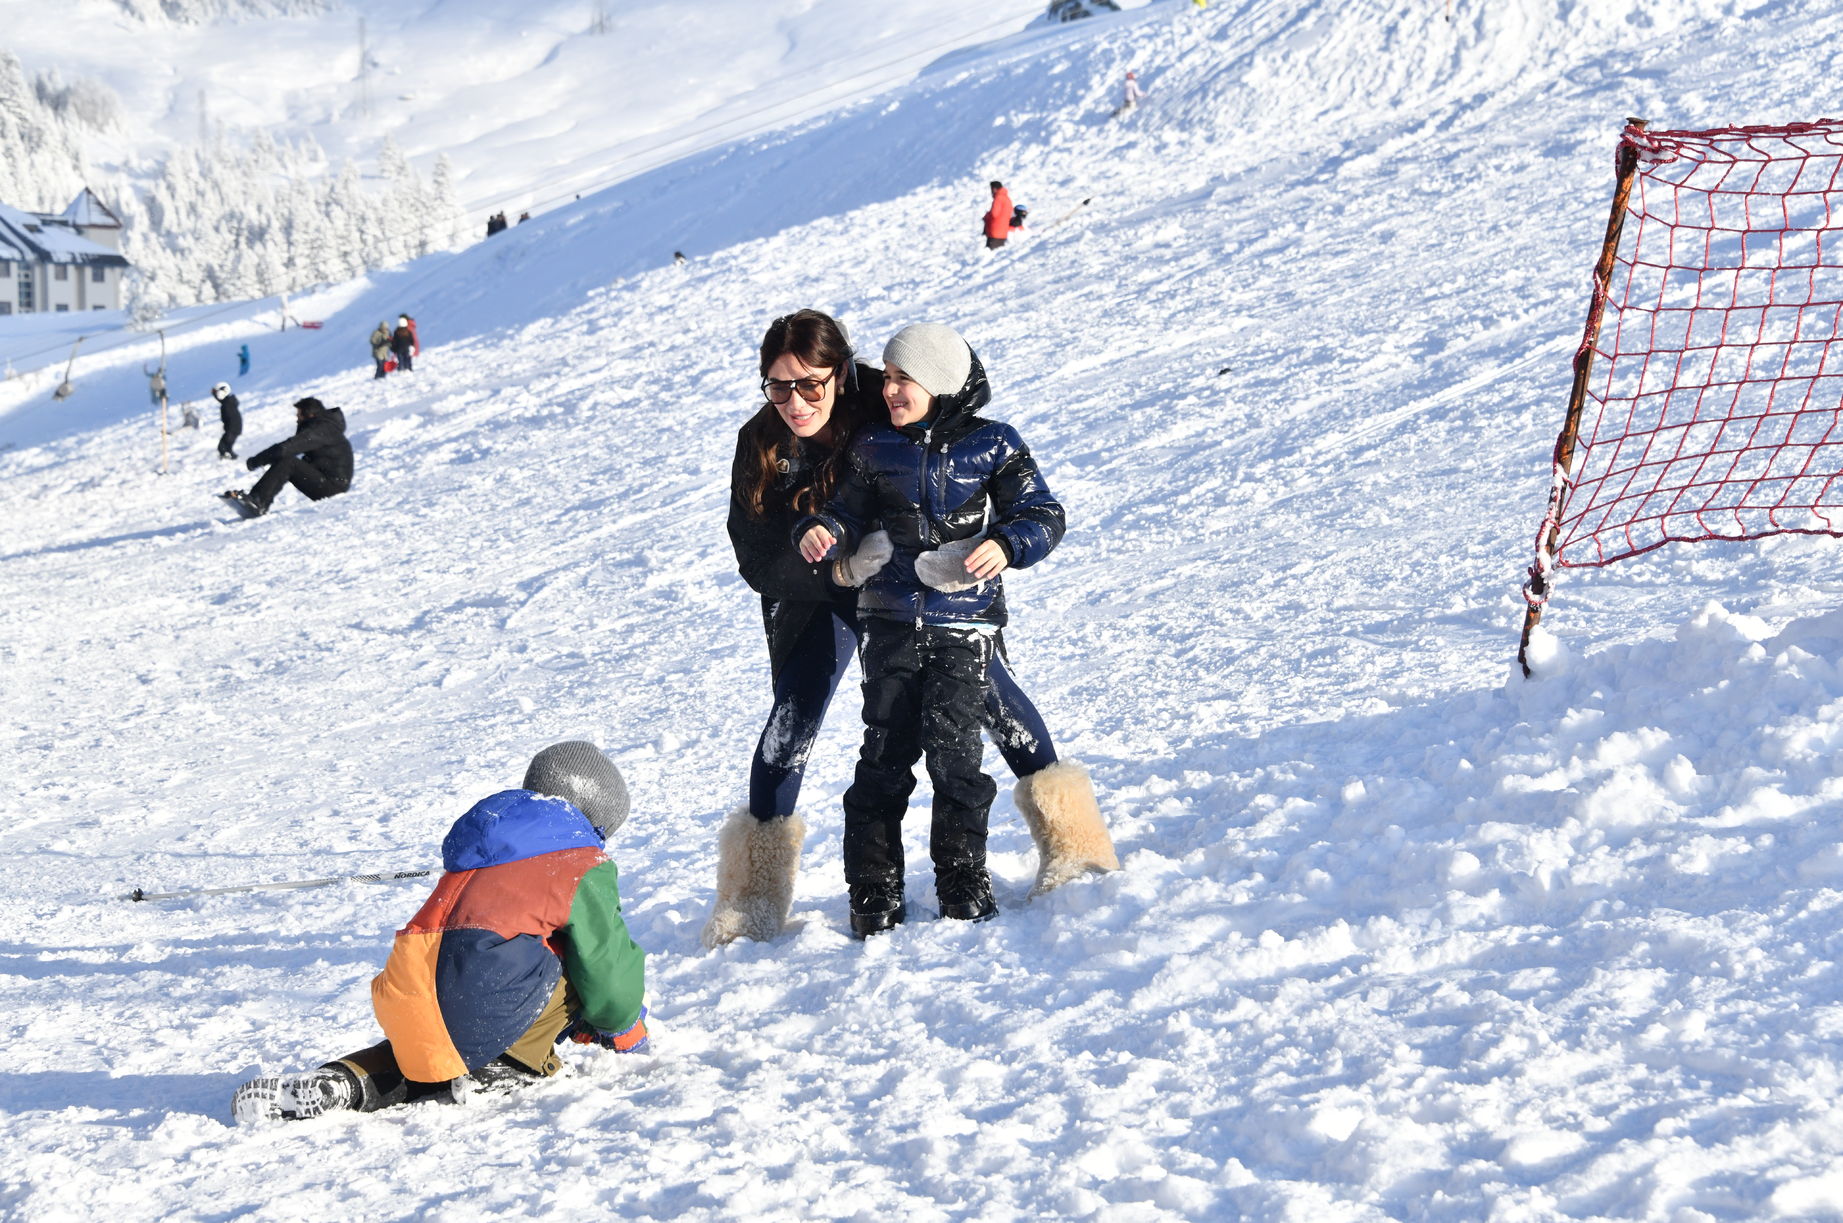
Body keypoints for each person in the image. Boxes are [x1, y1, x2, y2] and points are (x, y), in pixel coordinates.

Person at [704, 311, 1116, 947]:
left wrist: (986, 547)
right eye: (777, 386)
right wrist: (839, 569)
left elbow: (954, 457)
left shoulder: (885, 401)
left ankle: (1074, 844)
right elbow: (754, 555)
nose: (793, 401)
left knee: (993, 697)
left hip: (909, 591)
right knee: (794, 720)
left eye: (809, 384)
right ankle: (752, 898)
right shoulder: (760, 441)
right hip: (815, 594)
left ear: (840, 374)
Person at [231, 742, 649, 1124]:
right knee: (571, 959)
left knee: (427, 1051)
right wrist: (622, 1025)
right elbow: (606, 966)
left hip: (407, 987)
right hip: (482, 994)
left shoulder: (491, 845)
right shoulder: (578, 858)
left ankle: (344, 1081)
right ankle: (513, 1064)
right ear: (592, 819)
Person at [221, 395, 352, 518]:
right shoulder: (325, 427)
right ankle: (257, 499)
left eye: (299, 415)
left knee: (288, 462)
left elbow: (287, 448)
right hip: (329, 483)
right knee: (288, 462)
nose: (297, 419)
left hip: (333, 487)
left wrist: (257, 461)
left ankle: (258, 501)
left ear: (310, 414)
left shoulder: (322, 430)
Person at [983, 181, 1022, 250]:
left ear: (994, 189)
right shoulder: (1007, 199)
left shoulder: (998, 198)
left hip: (994, 231)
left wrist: (986, 216)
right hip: (1003, 232)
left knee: (989, 255)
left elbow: (994, 214)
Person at [209, 381, 241, 459]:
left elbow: (233, 419)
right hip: (232, 429)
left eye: (218, 393)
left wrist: (230, 430)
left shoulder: (228, 403)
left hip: (233, 429)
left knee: (223, 447)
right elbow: (221, 400)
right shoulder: (228, 401)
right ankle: (229, 457)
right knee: (225, 447)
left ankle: (229, 459)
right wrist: (214, 394)